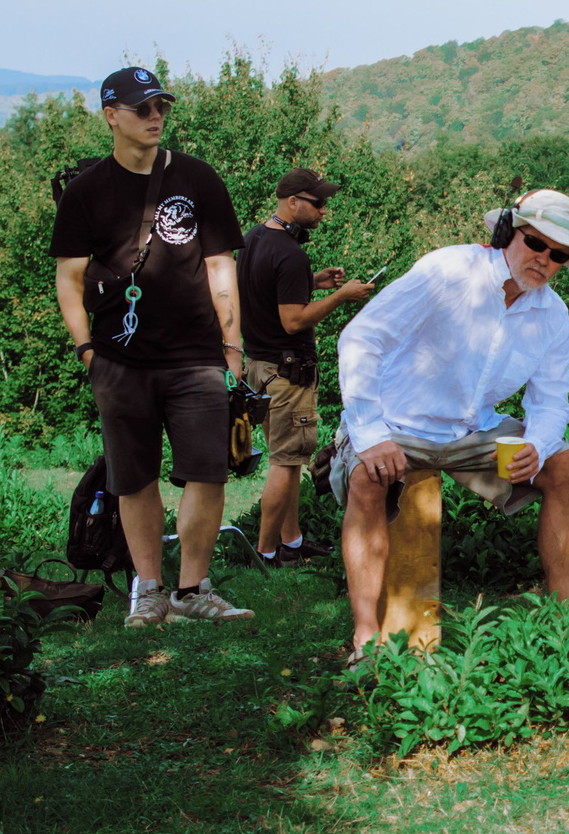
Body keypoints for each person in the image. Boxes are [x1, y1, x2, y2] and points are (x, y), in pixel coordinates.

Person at [333, 190, 569, 656]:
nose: (544, 260)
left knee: (565, 467)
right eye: (536, 243)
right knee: (367, 476)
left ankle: (563, 624)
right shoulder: (450, 270)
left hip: (472, 432)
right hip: (397, 424)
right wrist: (369, 435)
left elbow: (551, 400)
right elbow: (360, 338)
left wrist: (537, 443)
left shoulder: (552, 314)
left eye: (558, 255)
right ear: (507, 233)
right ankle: (365, 637)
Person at [51, 65, 254, 626]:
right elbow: (69, 279)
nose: (155, 116)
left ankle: (192, 590)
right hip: (119, 360)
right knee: (133, 478)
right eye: (142, 108)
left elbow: (220, 266)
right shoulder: (86, 192)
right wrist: (87, 351)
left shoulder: (198, 178)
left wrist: (232, 346)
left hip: (196, 357)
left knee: (208, 472)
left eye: (161, 106)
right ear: (110, 116)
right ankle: (149, 591)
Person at [238, 167, 375, 565]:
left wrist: (313, 281)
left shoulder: (254, 238)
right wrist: (342, 296)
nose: (324, 210)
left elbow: (266, 289)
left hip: (259, 368)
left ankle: (292, 542)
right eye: (318, 203)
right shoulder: (290, 252)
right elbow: (293, 321)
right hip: (288, 374)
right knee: (285, 463)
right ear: (293, 201)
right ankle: (266, 552)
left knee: (290, 458)